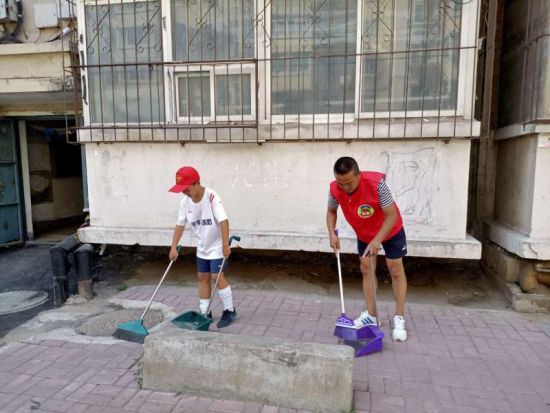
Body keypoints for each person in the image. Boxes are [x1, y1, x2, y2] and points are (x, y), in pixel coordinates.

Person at [326, 157, 408, 341]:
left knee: (395, 269)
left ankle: (399, 317)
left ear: (359, 175)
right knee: (366, 269)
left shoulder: (377, 184)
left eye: (349, 183)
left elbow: (391, 215)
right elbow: (331, 212)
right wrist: (332, 233)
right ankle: (371, 316)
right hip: (365, 233)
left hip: (390, 229)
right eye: (341, 183)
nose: (345, 188)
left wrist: (377, 240)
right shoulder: (334, 189)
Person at [168, 166, 237, 328]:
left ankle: (230, 310)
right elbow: (180, 225)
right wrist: (173, 247)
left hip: (217, 246)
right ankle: (205, 312)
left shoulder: (212, 197)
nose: (184, 192)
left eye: (186, 189)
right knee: (202, 277)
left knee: (216, 276)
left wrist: (226, 244)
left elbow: (223, 221)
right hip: (202, 247)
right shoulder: (185, 202)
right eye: (181, 190)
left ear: (197, 183)